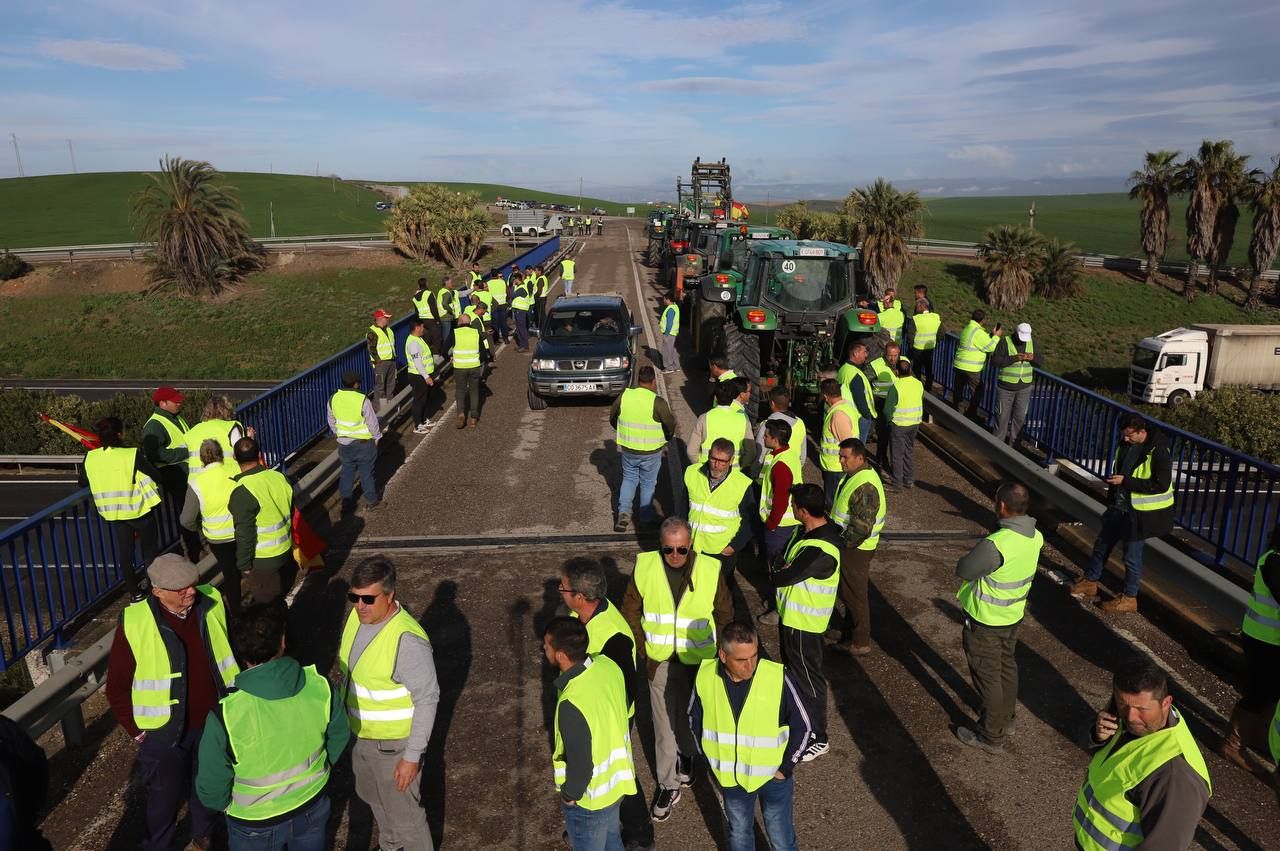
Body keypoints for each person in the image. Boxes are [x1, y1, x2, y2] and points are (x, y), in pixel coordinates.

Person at [105, 554, 239, 851]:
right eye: (181, 589)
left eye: (192, 584)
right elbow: (116, 688)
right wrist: (139, 733)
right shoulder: (135, 622)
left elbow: (231, 650)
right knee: (162, 803)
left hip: (213, 723)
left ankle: (203, 842)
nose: (191, 591)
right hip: (163, 735)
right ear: (158, 592)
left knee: (206, 791)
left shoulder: (212, 600)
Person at [197, 603, 350, 851]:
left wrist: (226, 806)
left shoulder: (225, 713)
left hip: (254, 824)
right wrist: (322, 769)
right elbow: (339, 733)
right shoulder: (320, 686)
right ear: (282, 641)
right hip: (311, 803)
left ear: (239, 650)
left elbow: (211, 785)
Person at [621, 518, 732, 822]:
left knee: (691, 718)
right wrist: (644, 650)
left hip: (699, 662)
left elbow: (724, 613)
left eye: (682, 549)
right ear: (661, 545)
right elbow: (630, 609)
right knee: (663, 726)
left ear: (691, 544)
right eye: (668, 549)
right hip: (660, 662)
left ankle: (689, 756)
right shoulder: (645, 567)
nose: (675, 556)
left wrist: (721, 653)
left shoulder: (710, 569)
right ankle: (668, 784)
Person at [338, 556, 440, 851]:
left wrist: (412, 756)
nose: (360, 606)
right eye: (354, 598)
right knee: (378, 804)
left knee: (406, 817)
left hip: (394, 748)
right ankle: (391, 846)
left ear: (390, 595)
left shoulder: (407, 641)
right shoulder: (357, 619)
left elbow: (427, 698)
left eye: (368, 599)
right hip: (362, 738)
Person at [689, 621, 811, 851]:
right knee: (740, 834)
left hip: (773, 778)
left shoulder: (776, 677)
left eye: (754, 656)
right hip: (731, 780)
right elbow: (693, 720)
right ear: (723, 655)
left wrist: (785, 768)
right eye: (742, 660)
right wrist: (712, 762)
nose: (750, 666)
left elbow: (803, 726)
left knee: (781, 839)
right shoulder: (705, 676)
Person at [559, 559, 655, 851]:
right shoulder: (585, 613)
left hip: (608, 716)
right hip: (595, 709)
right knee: (616, 767)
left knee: (612, 768)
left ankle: (636, 832)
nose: (559, 591)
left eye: (562, 587)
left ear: (579, 595)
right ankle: (633, 830)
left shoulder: (613, 637)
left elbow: (626, 687)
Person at [1074, 657, 1211, 850]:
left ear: (1166, 703)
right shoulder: (1131, 717)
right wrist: (1095, 736)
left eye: (1141, 709)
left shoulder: (1174, 776)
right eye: (1122, 704)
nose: (1131, 717)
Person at [953, 482, 1042, 752]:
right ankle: (1007, 718)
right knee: (1006, 667)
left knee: (987, 674)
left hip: (986, 620)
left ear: (1002, 505)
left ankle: (991, 734)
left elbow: (965, 570)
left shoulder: (996, 544)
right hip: (1012, 615)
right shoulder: (1035, 536)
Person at [544, 616, 636, 851]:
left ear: (561, 656)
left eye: (547, 646)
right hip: (616, 786)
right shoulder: (608, 666)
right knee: (613, 841)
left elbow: (581, 765)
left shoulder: (571, 702)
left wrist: (569, 795)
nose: (544, 649)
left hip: (590, 801)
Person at [769, 483, 843, 762]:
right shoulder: (811, 533)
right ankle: (799, 721)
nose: (790, 509)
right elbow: (782, 563)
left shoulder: (820, 550)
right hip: (794, 619)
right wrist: (782, 565)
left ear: (803, 511)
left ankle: (818, 736)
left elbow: (779, 574)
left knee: (809, 679)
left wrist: (780, 567)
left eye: (793, 506)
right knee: (794, 674)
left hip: (804, 625)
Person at [1072, 414, 1174, 613]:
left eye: (1129, 436)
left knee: (1131, 557)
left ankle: (1129, 597)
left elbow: (1161, 485)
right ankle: (1090, 581)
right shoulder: (1126, 444)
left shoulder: (1159, 452)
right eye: (1124, 435)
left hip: (1137, 514)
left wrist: (1126, 482)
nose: (1125, 439)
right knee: (1102, 545)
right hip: (1118, 506)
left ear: (1141, 431)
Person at [81, 416, 161, 601]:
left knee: (125, 553)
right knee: (150, 552)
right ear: (119, 434)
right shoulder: (131, 454)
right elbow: (155, 475)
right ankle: (152, 589)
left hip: (113, 512)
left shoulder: (91, 456)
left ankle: (134, 592)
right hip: (138, 509)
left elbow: (82, 482)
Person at [1222, 522, 1280, 775]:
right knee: (1260, 692)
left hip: (1270, 639)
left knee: (1271, 692)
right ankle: (1233, 744)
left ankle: (1256, 736)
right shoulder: (1275, 561)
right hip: (1264, 640)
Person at [828, 439, 884, 655]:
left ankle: (860, 642)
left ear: (860, 458)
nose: (840, 460)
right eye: (840, 456)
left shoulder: (865, 485)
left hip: (855, 549)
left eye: (845, 457)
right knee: (849, 590)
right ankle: (848, 630)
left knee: (855, 594)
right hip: (851, 545)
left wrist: (841, 543)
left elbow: (862, 528)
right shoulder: (856, 476)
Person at [229, 437, 298, 605]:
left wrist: (244, 565)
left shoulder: (243, 491)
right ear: (259, 454)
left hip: (262, 561)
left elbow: (245, 534)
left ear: (234, 458)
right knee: (279, 601)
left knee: (267, 613)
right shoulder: (280, 478)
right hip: (285, 551)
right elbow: (290, 510)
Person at [610, 365, 677, 532]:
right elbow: (669, 423)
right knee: (648, 484)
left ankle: (623, 514)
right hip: (651, 452)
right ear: (653, 382)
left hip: (629, 449)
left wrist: (624, 432)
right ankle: (646, 518)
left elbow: (613, 417)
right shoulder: (657, 402)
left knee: (629, 480)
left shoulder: (625, 396)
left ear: (638, 381)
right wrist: (667, 437)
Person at [182, 439, 243, 613]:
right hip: (241, 530)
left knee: (230, 572)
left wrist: (199, 535)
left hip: (217, 539)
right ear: (221, 454)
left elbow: (186, 519)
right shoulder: (235, 470)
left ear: (201, 459)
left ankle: (237, 612)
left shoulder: (196, 483)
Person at [684, 437, 754, 579]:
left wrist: (734, 546)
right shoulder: (691, 473)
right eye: (713, 459)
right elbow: (682, 509)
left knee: (721, 594)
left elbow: (750, 520)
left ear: (731, 460)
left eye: (722, 461)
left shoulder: (742, 484)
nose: (716, 465)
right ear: (709, 454)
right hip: (693, 547)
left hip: (721, 551)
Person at [144, 384, 199, 561]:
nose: (179, 404)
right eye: (175, 401)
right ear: (162, 403)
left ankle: (196, 547)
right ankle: (193, 551)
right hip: (175, 476)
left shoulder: (175, 418)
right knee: (187, 516)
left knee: (191, 514)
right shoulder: (154, 425)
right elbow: (154, 454)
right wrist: (187, 452)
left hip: (186, 474)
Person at [328, 371, 383, 511]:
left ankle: (346, 503)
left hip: (344, 444)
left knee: (347, 472)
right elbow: (372, 421)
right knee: (366, 473)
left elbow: (331, 420)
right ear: (356, 384)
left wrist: (338, 434)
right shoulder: (362, 399)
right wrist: (377, 437)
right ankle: (371, 501)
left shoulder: (333, 398)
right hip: (364, 443)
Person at [759, 419, 802, 577]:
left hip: (780, 525)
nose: (763, 437)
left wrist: (771, 524)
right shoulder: (789, 454)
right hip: (789, 523)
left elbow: (780, 500)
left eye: (766, 435)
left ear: (775, 440)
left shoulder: (780, 465)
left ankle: (774, 598)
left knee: (777, 568)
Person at [990, 321, 1042, 446]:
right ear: (1016, 333)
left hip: (1024, 388)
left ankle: (1015, 448)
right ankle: (997, 446)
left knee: (1019, 419)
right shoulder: (1004, 342)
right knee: (1002, 417)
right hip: (1005, 388)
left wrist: (1032, 358)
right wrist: (1015, 358)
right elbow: (995, 362)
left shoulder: (1032, 343)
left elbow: (1040, 361)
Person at [688, 378, 756, 470]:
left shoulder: (704, 418)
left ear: (715, 398)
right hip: (733, 474)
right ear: (733, 398)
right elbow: (751, 452)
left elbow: (691, 451)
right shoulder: (743, 419)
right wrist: (739, 468)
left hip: (708, 471)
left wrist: (701, 468)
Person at [952, 309, 1003, 419]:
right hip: (971, 368)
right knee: (978, 392)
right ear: (982, 320)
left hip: (959, 365)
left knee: (958, 391)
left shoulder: (968, 328)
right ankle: (971, 414)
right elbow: (991, 347)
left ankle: (958, 413)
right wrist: (996, 336)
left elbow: (977, 342)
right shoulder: (978, 332)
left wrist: (990, 335)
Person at [183, 395, 246, 474]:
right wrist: (250, 439)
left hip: (197, 482)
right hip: (227, 479)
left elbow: (181, 455)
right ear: (227, 410)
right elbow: (244, 454)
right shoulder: (230, 428)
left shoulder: (192, 431)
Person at [818, 378, 857, 505]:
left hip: (836, 468)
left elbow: (847, 443)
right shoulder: (846, 407)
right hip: (836, 467)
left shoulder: (838, 415)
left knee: (832, 504)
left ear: (825, 396)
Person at [886, 358, 924, 490]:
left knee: (897, 455)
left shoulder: (895, 387)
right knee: (908, 451)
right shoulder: (918, 383)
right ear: (910, 370)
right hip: (914, 424)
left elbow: (887, 410)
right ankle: (909, 479)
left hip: (899, 425)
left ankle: (897, 484)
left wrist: (889, 422)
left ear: (896, 372)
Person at [753, 387, 807, 474]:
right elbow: (803, 455)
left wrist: (754, 473)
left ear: (772, 403)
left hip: (768, 476)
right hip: (793, 473)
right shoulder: (800, 423)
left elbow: (760, 453)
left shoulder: (767, 425)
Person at [451, 313, 490, 428]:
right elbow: (483, 352)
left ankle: (461, 414)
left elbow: (445, 348)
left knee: (460, 391)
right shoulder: (476, 333)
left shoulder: (455, 332)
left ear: (460, 322)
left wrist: (451, 357)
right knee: (474, 391)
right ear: (469, 322)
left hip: (459, 367)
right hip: (474, 366)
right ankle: (474, 417)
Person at [868, 342, 901, 471]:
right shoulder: (876, 365)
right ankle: (881, 461)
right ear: (884, 354)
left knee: (895, 437)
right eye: (890, 355)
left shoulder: (904, 363)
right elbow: (866, 381)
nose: (892, 359)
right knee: (883, 435)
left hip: (898, 406)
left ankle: (893, 464)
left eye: (895, 355)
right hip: (881, 404)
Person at [403, 318, 438, 434]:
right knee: (419, 400)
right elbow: (418, 362)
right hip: (418, 376)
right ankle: (417, 425)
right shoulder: (413, 343)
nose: (424, 329)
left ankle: (423, 420)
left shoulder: (418, 339)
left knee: (424, 399)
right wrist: (426, 376)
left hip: (422, 375)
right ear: (417, 327)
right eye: (422, 327)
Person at [838, 340, 876, 445]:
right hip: (859, 416)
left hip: (849, 414)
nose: (866, 355)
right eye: (864, 352)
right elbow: (860, 398)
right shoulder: (854, 373)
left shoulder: (843, 369)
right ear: (855, 353)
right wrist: (867, 414)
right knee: (858, 448)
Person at [906, 298, 941, 390]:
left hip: (917, 348)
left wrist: (910, 346)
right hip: (930, 347)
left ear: (921, 306)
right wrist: (936, 340)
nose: (916, 308)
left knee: (916, 369)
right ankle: (928, 387)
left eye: (917, 306)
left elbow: (910, 335)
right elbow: (942, 332)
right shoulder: (936, 317)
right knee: (928, 368)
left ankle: (917, 387)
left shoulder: (916, 318)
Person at [367, 309, 398, 408]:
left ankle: (390, 405)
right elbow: (371, 348)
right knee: (380, 387)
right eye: (386, 318)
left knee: (391, 384)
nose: (388, 320)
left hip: (391, 360)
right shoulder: (372, 332)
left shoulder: (388, 329)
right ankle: (380, 410)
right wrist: (378, 361)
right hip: (381, 363)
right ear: (379, 319)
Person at [412, 277, 443, 354]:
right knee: (437, 339)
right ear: (426, 283)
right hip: (431, 320)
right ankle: (436, 357)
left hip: (422, 321)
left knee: (426, 340)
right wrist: (438, 320)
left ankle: (428, 355)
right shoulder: (429, 293)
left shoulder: (414, 297)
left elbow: (416, 311)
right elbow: (433, 308)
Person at [510, 272, 534, 352]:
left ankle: (525, 346)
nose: (514, 281)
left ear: (517, 279)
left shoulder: (521, 288)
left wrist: (513, 287)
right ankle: (522, 345)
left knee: (521, 328)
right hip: (518, 310)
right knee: (519, 328)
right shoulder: (519, 287)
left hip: (521, 311)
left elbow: (512, 295)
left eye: (514, 279)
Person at [436, 276, 458, 356]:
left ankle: (448, 351)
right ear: (447, 283)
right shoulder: (446, 292)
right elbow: (444, 303)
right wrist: (451, 311)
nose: (452, 284)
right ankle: (446, 352)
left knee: (447, 334)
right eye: (451, 283)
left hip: (443, 316)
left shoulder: (441, 291)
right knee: (447, 335)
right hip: (446, 317)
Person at [659, 292, 680, 374]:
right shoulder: (675, 307)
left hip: (669, 333)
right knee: (672, 350)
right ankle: (676, 366)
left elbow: (669, 323)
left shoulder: (670, 309)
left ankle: (668, 367)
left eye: (664, 298)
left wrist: (666, 334)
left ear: (668, 299)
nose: (663, 300)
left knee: (666, 351)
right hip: (673, 333)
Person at [487, 270, 510, 345]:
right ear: (497, 275)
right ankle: (506, 339)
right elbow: (508, 292)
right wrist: (506, 301)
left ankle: (496, 340)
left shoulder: (488, 283)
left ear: (490, 275)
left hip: (493, 306)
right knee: (503, 323)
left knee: (495, 324)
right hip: (503, 305)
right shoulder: (503, 282)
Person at [533, 265, 551, 331]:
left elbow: (539, 292)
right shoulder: (543, 277)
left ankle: (543, 330)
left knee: (541, 315)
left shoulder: (540, 279)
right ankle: (545, 328)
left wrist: (533, 297)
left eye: (536, 270)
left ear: (539, 271)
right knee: (542, 314)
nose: (535, 272)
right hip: (543, 298)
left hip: (540, 299)